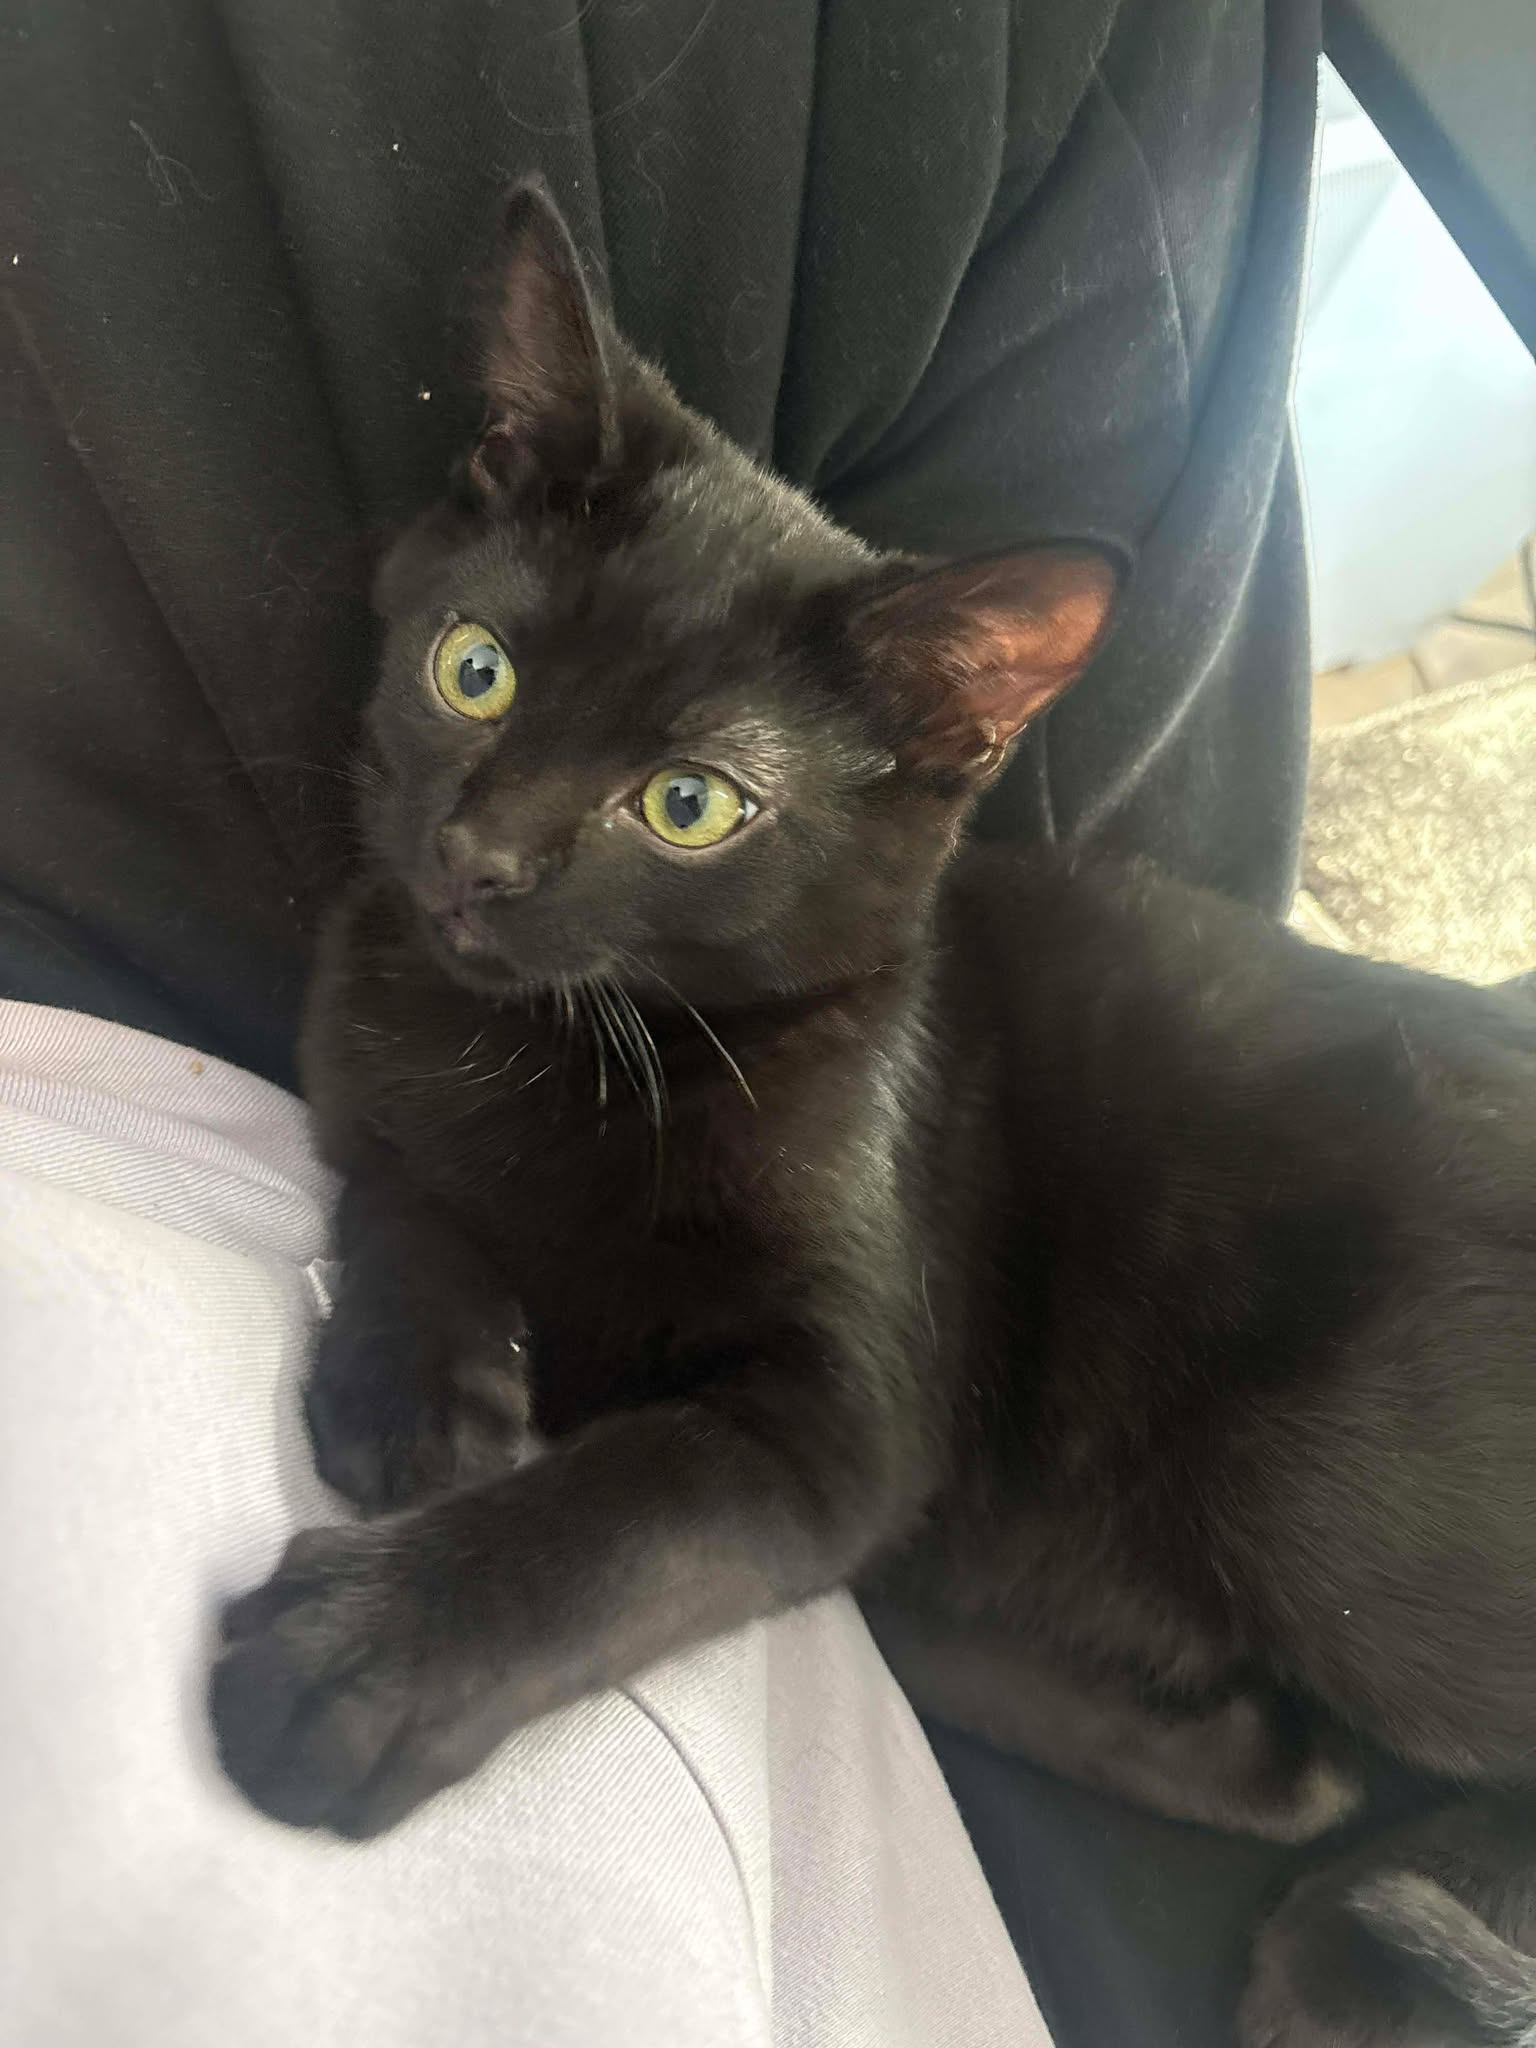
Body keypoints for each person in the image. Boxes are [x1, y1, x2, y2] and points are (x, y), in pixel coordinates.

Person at [1, 2, 1323, 2041]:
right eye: (477, 678)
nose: (478, 846)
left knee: (1366, 1511)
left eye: (684, 803)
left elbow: (822, 1443)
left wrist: (487, 1599)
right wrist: (414, 1268)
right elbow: (415, 1129)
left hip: (1295, 1228)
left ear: (930, 754)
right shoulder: (415, 966)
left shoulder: (782, 1082)